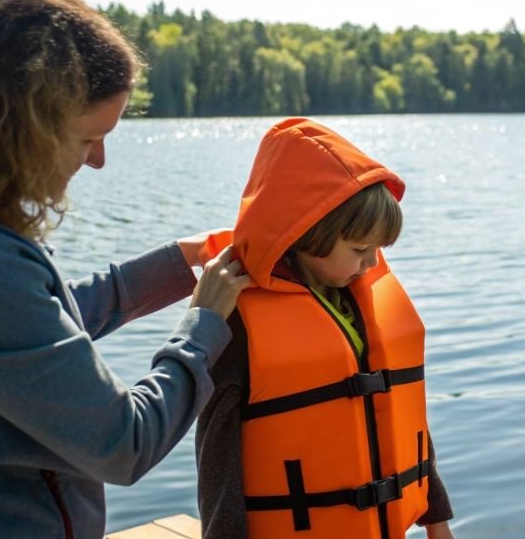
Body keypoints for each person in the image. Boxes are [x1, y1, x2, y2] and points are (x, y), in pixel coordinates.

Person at [0, 0, 251, 538]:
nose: (97, 161)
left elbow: (29, 324)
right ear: (19, 127)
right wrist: (203, 326)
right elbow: (124, 443)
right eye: (88, 138)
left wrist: (175, 264)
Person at [195, 118, 455, 539]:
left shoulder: (357, 294)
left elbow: (403, 419)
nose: (371, 264)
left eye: (377, 250)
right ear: (307, 231)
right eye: (359, 249)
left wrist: (437, 521)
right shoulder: (238, 318)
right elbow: (217, 459)